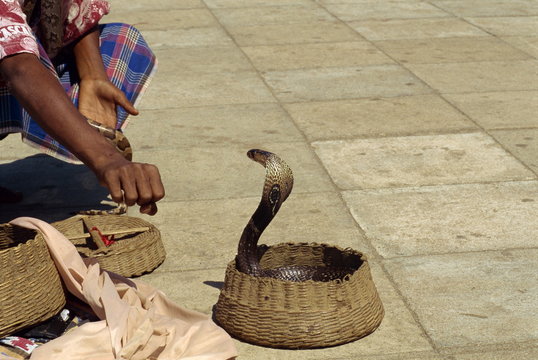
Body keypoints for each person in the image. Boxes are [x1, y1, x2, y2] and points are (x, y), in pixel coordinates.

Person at [0, 0, 164, 215]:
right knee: (19, 65)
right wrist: (106, 158)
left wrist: (94, 76)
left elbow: (80, 13)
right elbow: (18, 66)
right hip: (16, 69)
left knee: (120, 39)